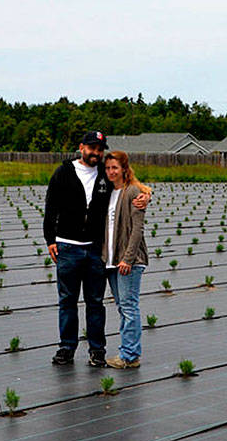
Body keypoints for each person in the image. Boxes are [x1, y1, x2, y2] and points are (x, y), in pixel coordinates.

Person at [43, 131, 149, 367]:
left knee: (95, 302)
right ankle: (67, 347)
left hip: (94, 250)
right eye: (92, 148)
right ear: (81, 147)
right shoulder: (63, 173)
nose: (96, 153)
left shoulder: (105, 173)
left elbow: (130, 185)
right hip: (67, 247)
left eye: (100, 149)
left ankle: (97, 350)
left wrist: (146, 196)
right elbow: (51, 207)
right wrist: (50, 239)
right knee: (67, 300)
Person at [102, 151, 149, 368]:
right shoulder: (109, 191)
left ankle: (130, 356)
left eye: (115, 168)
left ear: (124, 169)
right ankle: (127, 352)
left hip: (128, 261)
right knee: (122, 307)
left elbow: (137, 229)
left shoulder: (132, 192)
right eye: (108, 168)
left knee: (129, 307)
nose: (111, 172)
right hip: (112, 260)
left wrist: (128, 259)